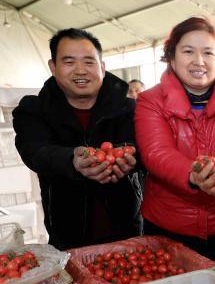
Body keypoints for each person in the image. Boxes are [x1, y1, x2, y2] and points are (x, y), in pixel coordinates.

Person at [135, 17, 215, 261]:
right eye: (188, 52)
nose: (199, 61)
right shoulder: (150, 101)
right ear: (171, 58)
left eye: (208, 53)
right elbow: (156, 153)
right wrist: (193, 175)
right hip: (170, 226)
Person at [13, 28, 141, 250]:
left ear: (102, 67)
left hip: (128, 232)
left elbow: (147, 149)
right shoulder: (34, 110)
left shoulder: (129, 109)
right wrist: (70, 159)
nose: (80, 71)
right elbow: (35, 151)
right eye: (69, 62)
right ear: (53, 67)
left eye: (89, 62)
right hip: (68, 236)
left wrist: (133, 158)